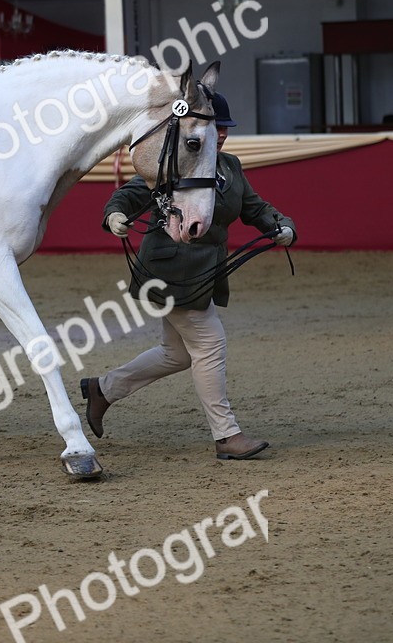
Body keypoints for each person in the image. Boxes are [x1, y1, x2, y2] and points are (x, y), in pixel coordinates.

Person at [80, 91, 295, 460]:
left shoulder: (230, 167)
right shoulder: (177, 161)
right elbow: (129, 194)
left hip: (204, 275)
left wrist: (281, 226)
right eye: (215, 127)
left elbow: (254, 207)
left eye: (224, 128)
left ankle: (104, 388)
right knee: (210, 346)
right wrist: (114, 215)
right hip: (169, 271)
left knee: (176, 354)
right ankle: (226, 435)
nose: (222, 134)